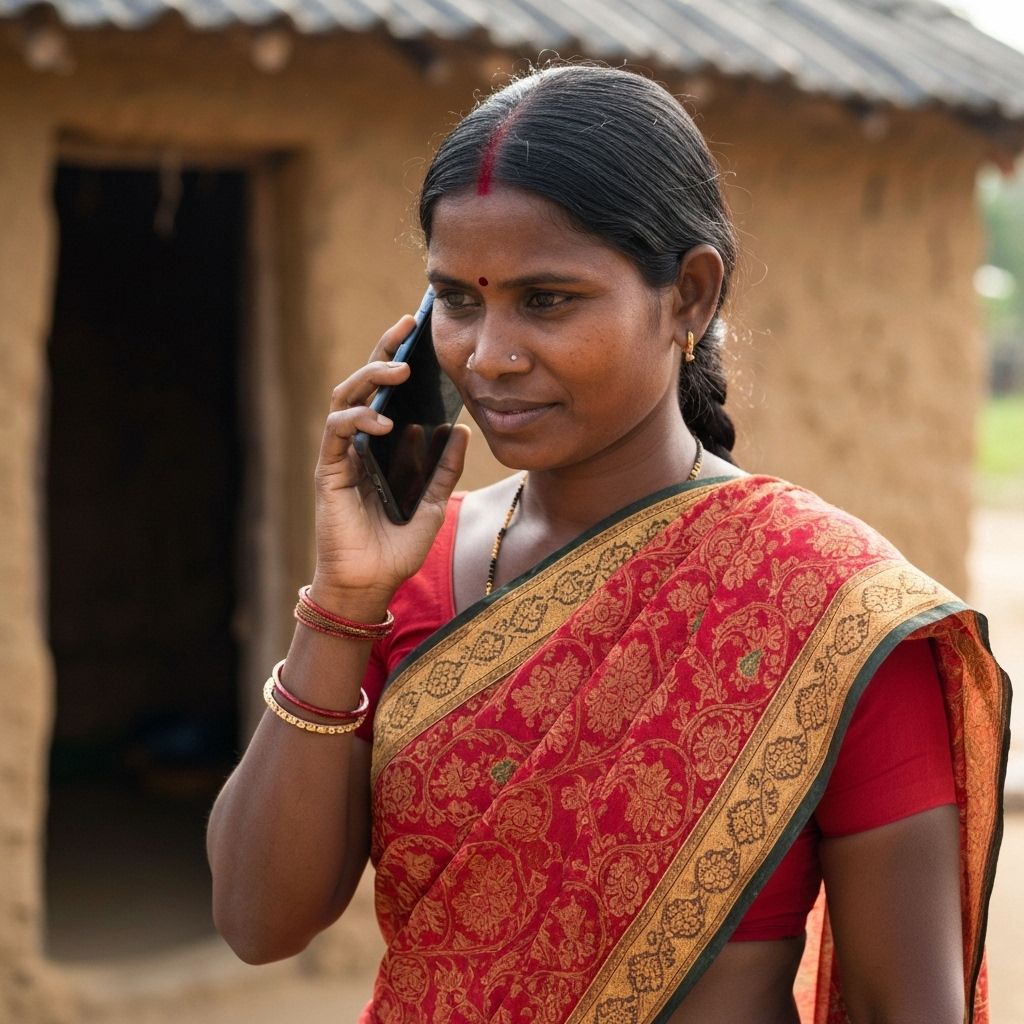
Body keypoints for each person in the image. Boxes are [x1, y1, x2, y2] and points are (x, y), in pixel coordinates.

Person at [207, 64, 1010, 1024]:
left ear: (691, 298)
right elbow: (259, 922)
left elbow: (903, 1006)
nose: (488, 355)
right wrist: (340, 602)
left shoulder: (830, 612)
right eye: (458, 300)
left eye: (547, 301)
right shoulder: (409, 572)